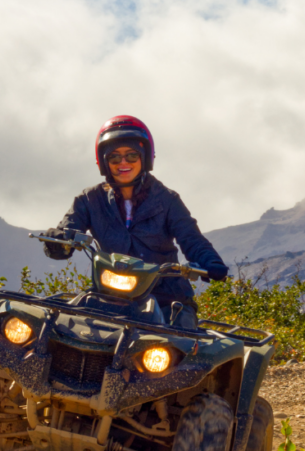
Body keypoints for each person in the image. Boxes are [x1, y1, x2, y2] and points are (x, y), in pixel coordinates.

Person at [43, 115, 228, 329]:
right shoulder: (89, 199)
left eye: (131, 155)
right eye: (114, 157)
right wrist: (58, 242)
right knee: (65, 328)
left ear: (145, 158)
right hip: (109, 293)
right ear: (104, 162)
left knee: (181, 342)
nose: (123, 163)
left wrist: (211, 262)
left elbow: (191, 238)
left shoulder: (167, 200)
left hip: (165, 295)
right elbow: (68, 230)